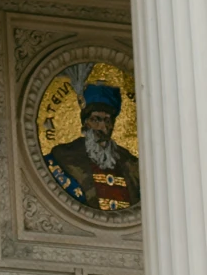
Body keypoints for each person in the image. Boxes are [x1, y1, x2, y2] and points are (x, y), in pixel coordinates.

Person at [43, 79, 140, 213]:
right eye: (96, 119)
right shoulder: (63, 155)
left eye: (107, 120)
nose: (102, 127)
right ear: (85, 124)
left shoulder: (130, 161)